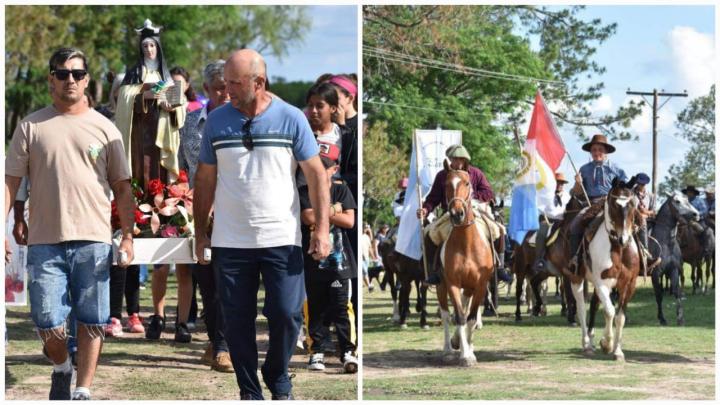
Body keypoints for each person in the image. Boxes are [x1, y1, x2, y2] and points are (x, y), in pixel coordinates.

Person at [193, 48, 330, 400]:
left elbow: (315, 175)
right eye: (225, 84)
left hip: (281, 238)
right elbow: (205, 180)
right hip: (230, 241)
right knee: (237, 325)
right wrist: (199, 233)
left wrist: (322, 228)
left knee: (286, 314)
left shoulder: (290, 118)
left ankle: (276, 371)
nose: (229, 90)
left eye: (236, 84)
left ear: (259, 82)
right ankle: (250, 391)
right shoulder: (217, 121)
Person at [5, 47, 135, 400]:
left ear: (87, 79)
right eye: (62, 74)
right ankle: (63, 367)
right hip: (45, 239)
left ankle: (83, 389)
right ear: (51, 79)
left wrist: (128, 237)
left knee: (92, 319)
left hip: (93, 238)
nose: (70, 80)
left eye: (77, 74)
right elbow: (10, 183)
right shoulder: (31, 125)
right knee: (46, 319)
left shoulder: (105, 128)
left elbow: (123, 187)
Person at [114, 19, 192, 343]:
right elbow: (124, 99)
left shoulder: (168, 79)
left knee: (159, 176)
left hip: (160, 144)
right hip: (138, 141)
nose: (148, 49)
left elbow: (180, 109)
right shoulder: (131, 79)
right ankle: (139, 214)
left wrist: (169, 103)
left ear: (158, 50)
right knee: (141, 174)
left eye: (153, 46)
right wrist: (143, 95)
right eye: (144, 45)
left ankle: (164, 211)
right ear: (139, 48)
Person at [177, 59, 233, 373]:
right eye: (219, 87)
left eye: (230, 86)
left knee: (230, 281)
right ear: (208, 89)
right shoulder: (190, 122)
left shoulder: (243, 120)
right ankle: (217, 341)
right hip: (200, 211)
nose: (226, 93)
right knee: (209, 284)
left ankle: (223, 345)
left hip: (235, 212)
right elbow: (182, 166)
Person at [299, 144, 358, 374]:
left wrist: (323, 211)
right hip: (312, 263)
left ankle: (348, 352)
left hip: (340, 263)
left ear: (334, 169)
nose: (317, 170)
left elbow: (350, 221)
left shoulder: (342, 191)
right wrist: (335, 211)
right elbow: (307, 216)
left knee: (342, 307)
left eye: (323, 167)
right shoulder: (304, 191)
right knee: (315, 309)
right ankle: (317, 352)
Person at [416, 145, 495, 285]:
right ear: (450, 159)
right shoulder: (442, 175)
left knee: (499, 229)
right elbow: (433, 198)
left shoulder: (475, 173)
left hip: (474, 211)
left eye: (460, 159)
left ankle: (499, 268)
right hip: (449, 214)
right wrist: (425, 210)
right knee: (430, 233)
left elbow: (488, 193)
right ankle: (434, 272)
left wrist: (468, 194)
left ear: (465, 160)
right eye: (454, 159)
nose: (457, 162)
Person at [568, 134, 629, 268]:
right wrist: (578, 184)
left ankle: (643, 256)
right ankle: (575, 258)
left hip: (612, 204)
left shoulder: (617, 170)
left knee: (638, 223)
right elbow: (575, 193)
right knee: (574, 226)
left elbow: (626, 190)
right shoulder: (584, 169)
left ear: (606, 151)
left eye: (600, 149)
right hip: (591, 204)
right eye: (594, 150)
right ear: (591, 152)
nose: (597, 153)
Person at [532, 172, 571, 274]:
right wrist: (543, 218)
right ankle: (539, 260)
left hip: (562, 221)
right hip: (546, 219)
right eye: (558, 183)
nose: (560, 185)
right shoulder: (545, 193)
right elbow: (539, 206)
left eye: (562, 183)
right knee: (541, 234)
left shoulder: (567, 196)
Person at [630, 172, 660, 268]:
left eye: (642, 184)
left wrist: (645, 212)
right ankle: (647, 256)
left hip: (647, 219)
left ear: (645, 184)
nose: (640, 186)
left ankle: (647, 255)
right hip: (632, 219)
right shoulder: (630, 193)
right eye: (638, 183)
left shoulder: (651, 196)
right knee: (641, 221)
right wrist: (638, 213)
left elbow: (654, 211)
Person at [361, 223, 375, 292]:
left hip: (366, 258)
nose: (365, 229)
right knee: (364, 272)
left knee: (364, 272)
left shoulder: (366, 237)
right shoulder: (358, 236)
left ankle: (367, 285)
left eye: (366, 228)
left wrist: (373, 257)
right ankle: (369, 286)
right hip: (361, 258)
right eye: (364, 227)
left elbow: (369, 248)